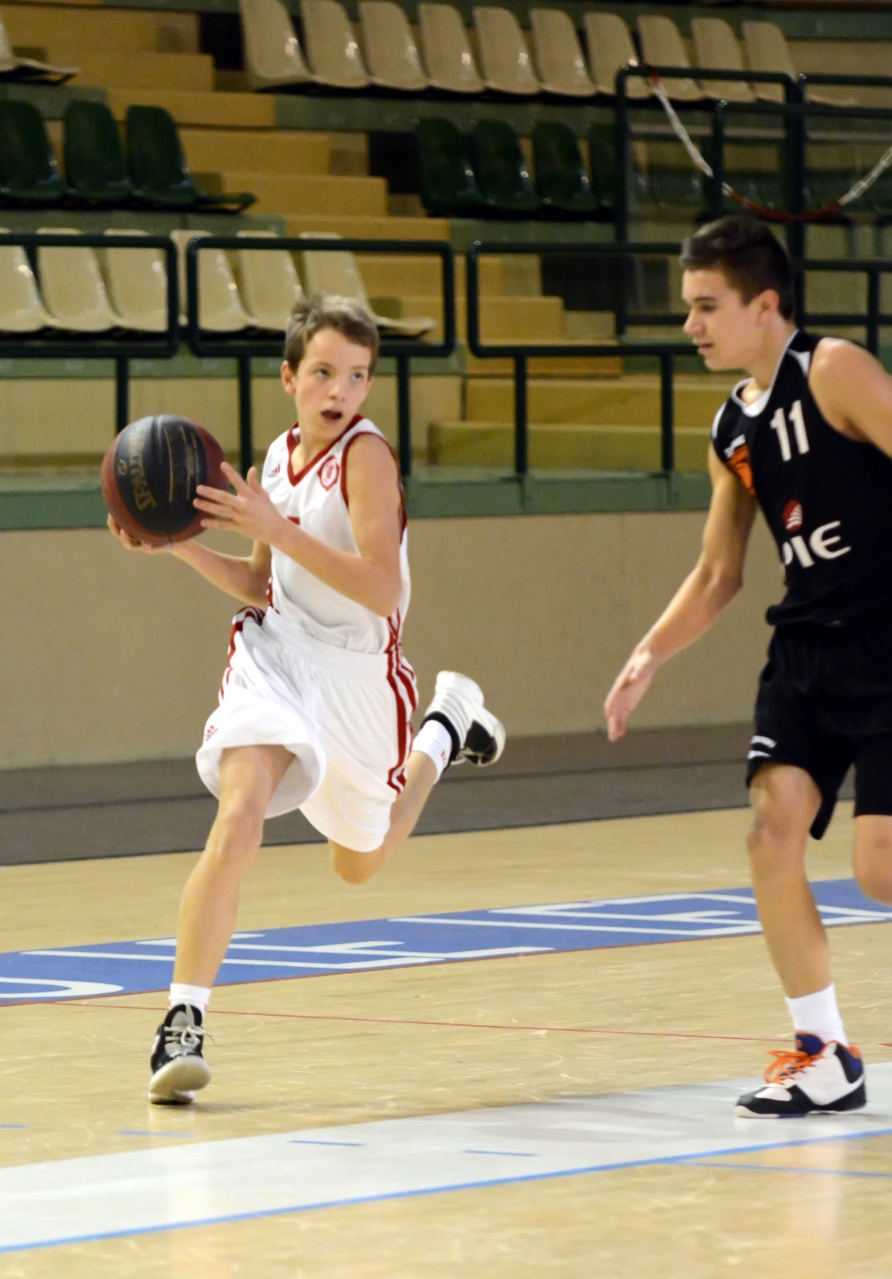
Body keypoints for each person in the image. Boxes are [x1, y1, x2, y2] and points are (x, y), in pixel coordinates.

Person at [109, 292, 505, 1104]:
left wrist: (276, 528)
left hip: (360, 675)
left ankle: (443, 726)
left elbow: (384, 589)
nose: (340, 390)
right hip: (279, 654)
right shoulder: (277, 456)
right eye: (324, 372)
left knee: (361, 863)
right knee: (240, 813)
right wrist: (177, 544)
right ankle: (183, 1020)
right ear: (289, 377)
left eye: (357, 375)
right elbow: (263, 583)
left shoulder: (367, 458)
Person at [604, 214, 892, 1118]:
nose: (690, 324)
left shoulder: (835, 369)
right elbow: (718, 573)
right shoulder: (732, 426)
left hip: (887, 639)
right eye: (688, 307)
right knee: (771, 834)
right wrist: (650, 651)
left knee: (880, 868)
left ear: (765, 305)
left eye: (706, 306)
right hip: (806, 651)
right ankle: (825, 1053)